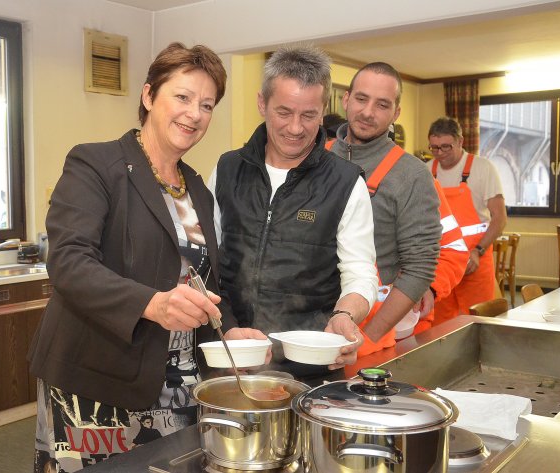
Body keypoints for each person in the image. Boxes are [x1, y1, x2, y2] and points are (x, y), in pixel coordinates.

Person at [27, 42, 264, 473]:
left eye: (207, 105)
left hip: (178, 385)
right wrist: (152, 304)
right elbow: (69, 263)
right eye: (183, 97)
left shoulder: (197, 189)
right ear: (149, 95)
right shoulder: (96, 164)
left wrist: (227, 329)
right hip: (98, 381)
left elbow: (203, 282)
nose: (194, 114)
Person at [209, 45, 378, 385]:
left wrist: (346, 314)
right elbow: (207, 262)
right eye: (284, 112)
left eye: (309, 115)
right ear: (262, 103)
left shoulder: (346, 182)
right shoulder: (227, 169)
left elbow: (360, 272)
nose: (296, 128)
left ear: (323, 111)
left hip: (310, 369)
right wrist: (223, 325)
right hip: (232, 358)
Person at [327, 62, 442, 363]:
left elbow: (420, 268)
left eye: (382, 105)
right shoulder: (315, 158)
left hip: (368, 336)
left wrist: (369, 336)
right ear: (346, 99)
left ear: (396, 113)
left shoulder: (411, 175)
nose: (368, 112)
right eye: (361, 99)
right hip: (312, 327)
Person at [427, 116, 507, 322]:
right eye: (434, 148)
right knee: (440, 323)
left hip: (476, 259)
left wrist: (477, 251)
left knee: (478, 320)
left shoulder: (482, 168)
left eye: (446, 146)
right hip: (441, 263)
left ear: (460, 141)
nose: (440, 153)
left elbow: (499, 218)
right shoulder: (426, 171)